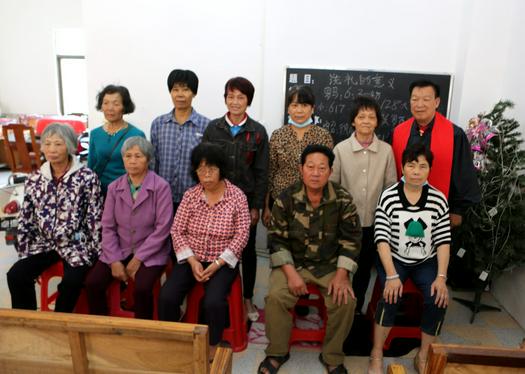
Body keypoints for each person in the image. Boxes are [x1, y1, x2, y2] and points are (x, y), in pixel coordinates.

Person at [259, 145, 361, 374]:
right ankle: (277, 352)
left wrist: (342, 275)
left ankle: (332, 356)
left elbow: (352, 239)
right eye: (310, 167)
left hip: (330, 266)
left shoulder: (343, 199)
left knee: (345, 301)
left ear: (330, 171)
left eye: (322, 168)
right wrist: (291, 274)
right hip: (292, 264)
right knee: (275, 297)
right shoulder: (286, 198)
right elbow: (276, 240)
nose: (315, 173)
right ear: (301, 169)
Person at [158, 142, 250, 360]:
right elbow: (177, 231)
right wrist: (192, 261)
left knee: (214, 301)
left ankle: (212, 343)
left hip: (223, 261)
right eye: (201, 169)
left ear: (221, 170)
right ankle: (173, 337)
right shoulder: (191, 196)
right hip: (192, 257)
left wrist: (217, 264)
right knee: (167, 296)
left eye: (211, 169)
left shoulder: (237, 197)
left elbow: (241, 235)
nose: (206, 174)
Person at [368, 143, 451, 374]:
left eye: (422, 166)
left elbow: (443, 241)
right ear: (403, 168)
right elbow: (381, 239)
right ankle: (377, 352)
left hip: (426, 261)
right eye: (411, 165)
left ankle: (424, 354)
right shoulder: (389, 196)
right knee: (391, 295)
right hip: (393, 258)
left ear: (429, 170)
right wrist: (392, 275)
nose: (416, 171)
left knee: (438, 298)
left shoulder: (438, 199)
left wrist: (441, 277)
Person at [7, 123, 102, 312]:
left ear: (69, 146)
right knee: (16, 275)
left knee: (72, 282)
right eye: (47, 144)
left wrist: (95, 251)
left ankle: (59, 322)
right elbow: (27, 216)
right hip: (44, 243)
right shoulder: (35, 179)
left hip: (76, 242)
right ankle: (29, 322)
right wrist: (25, 250)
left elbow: (95, 217)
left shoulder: (87, 177)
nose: (52, 150)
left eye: (58, 144)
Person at [202, 77, 269, 322]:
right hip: (217, 201)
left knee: (248, 251)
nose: (235, 102)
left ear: (248, 101)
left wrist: (257, 207)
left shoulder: (258, 131)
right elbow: (205, 166)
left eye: (241, 97)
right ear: (225, 99)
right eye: (231, 96)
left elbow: (262, 172)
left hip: (246, 201)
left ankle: (248, 298)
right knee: (217, 247)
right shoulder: (213, 128)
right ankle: (214, 295)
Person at [85, 137, 173, 320]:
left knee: (142, 288)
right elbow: (107, 227)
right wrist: (115, 260)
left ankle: (143, 332)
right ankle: (99, 327)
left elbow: (163, 229)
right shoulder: (114, 187)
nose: (132, 161)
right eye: (128, 156)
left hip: (150, 252)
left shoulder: (161, 187)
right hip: (120, 247)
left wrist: (139, 258)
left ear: (148, 159)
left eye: (138, 156)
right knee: (93, 283)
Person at [330, 96, 397, 314]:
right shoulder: (340, 149)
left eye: (371, 117)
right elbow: (332, 186)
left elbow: (390, 187)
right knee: (341, 266)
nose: (366, 121)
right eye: (361, 117)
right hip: (345, 223)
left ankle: (356, 309)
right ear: (353, 121)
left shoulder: (386, 151)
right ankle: (338, 308)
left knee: (363, 270)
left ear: (377, 122)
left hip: (373, 223)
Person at [390, 80, 480, 227]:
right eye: (415, 99)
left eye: (426, 99)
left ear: (437, 102)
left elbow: (462, 173)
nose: (419, 105)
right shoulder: (398, 132)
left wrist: (457, 210)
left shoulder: (454, 134)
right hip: (401, 208)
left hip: (441, 212)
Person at [262, 85, 334, 228]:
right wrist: (266, 207)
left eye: (304, 105)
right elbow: (270, 173)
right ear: (288, 109)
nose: (299, 110)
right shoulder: (278, 135)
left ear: (312, 109)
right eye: (294, 105)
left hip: (314, 205)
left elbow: (327, 174)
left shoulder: (323, 136)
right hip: (280, 203)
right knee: (279, 247)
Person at [150, 69, 210, 213]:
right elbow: (153, 161)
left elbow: (207, 163)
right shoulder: (158, 124)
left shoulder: (206, 125)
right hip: (162, 196)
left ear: (194, 93)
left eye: (186, 89)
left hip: (195, 198)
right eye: (175, 89)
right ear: (170, 92)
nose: (180, 94)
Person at [88, 84, 145, 197]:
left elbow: (142, 169)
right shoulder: (95, 134)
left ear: (124, 106)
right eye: (106, 103)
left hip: (126, 192)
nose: (110, 108)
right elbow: (91, 166)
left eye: (116, 103)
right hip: (100, 191)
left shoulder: (136, 134)